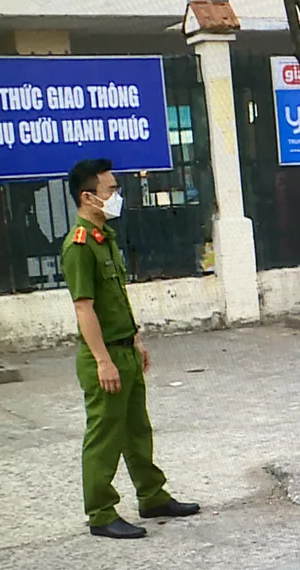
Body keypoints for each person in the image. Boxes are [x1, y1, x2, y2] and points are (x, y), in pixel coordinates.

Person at [61, 159, 199, 540]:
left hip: (124, 349)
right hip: (103, 356)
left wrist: (135, 340)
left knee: (137, 429)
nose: (116, 196)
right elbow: (83, 307)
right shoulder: (80, 246)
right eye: (110, 190)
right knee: (105, 436)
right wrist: (103, 360)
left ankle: (152, 495)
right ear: (88, 197)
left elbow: (116, 299)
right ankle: (101, 512)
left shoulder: (106, 239)